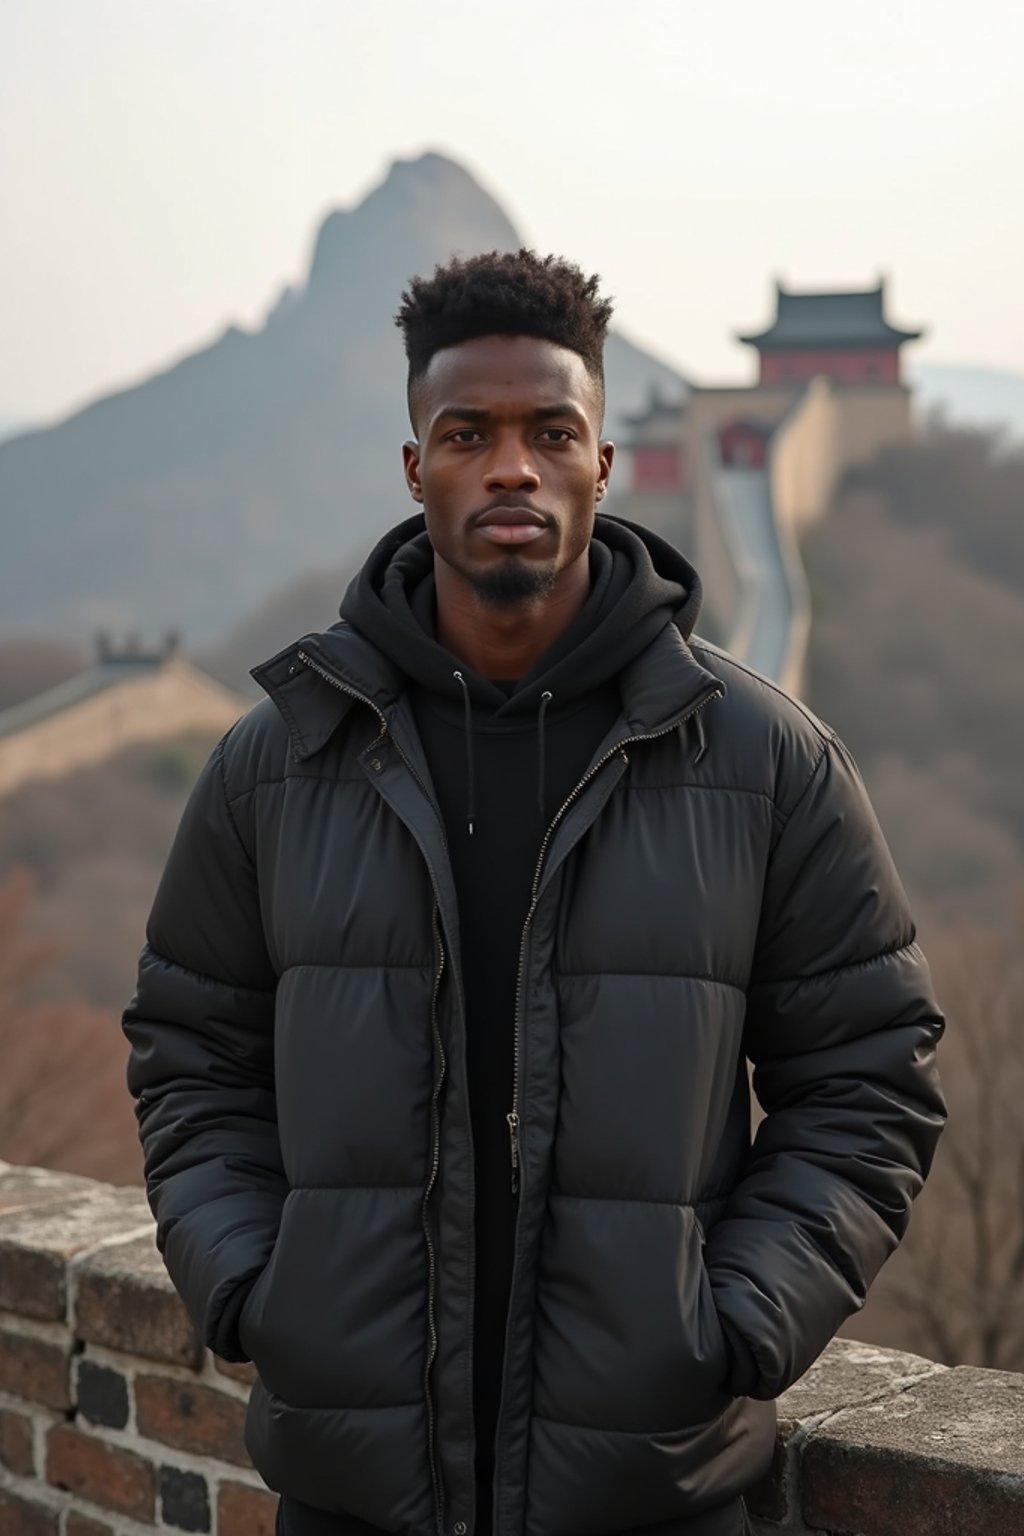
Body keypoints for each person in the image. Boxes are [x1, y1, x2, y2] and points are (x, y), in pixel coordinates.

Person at [123, 249, 946, 1536]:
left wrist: (732, 1324)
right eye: (469, 433)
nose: (511, 465)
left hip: (652, 1491)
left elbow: (868, 1078)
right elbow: (190, 1054)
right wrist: (255, 1287)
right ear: (416, 468)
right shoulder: (277, 764)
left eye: (550, 430)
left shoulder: (761, 762)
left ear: (603, 463)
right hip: (354, 1492)